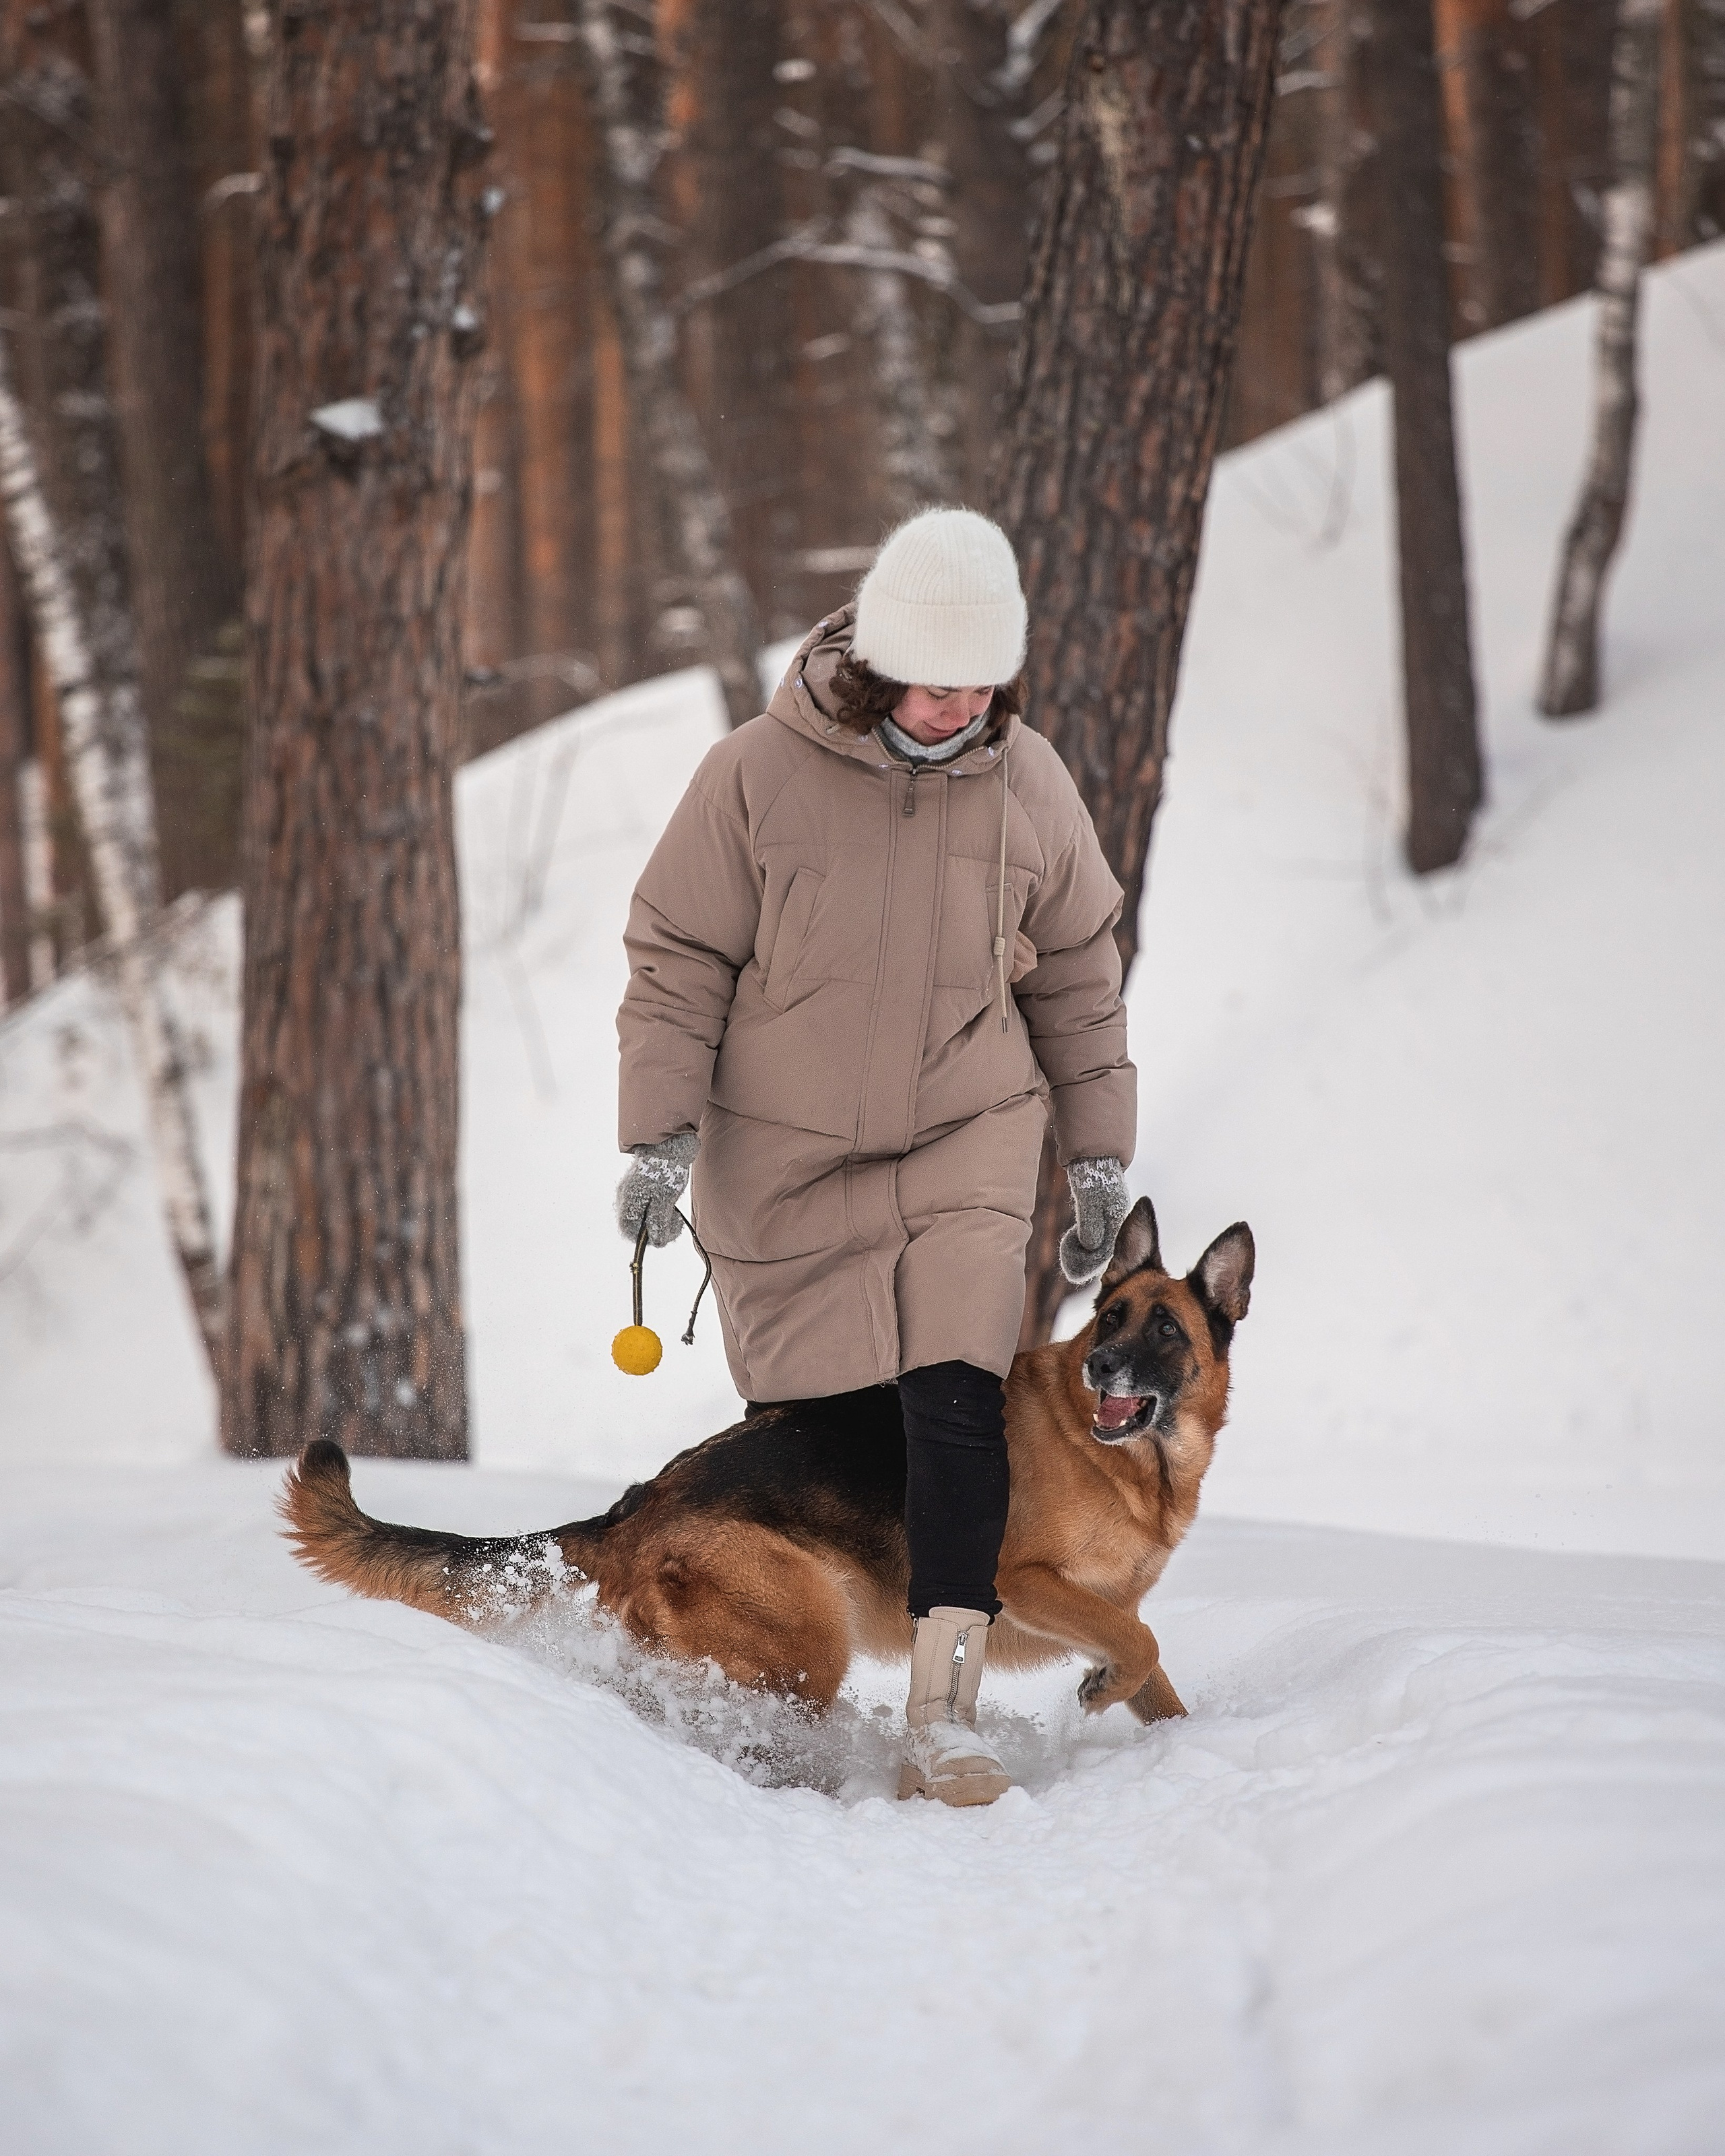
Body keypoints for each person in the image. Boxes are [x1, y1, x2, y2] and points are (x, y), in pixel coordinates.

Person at [615, 507, 1135, 1806]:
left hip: (967, 1133)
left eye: (985, 680)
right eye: (939, 677)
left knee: (957, 1405)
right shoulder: (756, 776)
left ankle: (942, 1718)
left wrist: (1096, 1162)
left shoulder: (1033, 785)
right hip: (781, 1154)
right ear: (880, 662)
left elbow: (1078, 977)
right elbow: (678, 958)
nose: (963, 704)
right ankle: (749, 1665)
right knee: (826, 1437)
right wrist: (660, 1139)